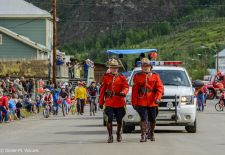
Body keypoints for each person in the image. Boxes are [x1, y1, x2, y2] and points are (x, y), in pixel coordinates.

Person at [132, 58, 164, 142]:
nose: (145, 67)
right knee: (143, 118)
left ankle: (152, 133)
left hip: (152, 101)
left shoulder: (155, 76)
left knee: (152, 119)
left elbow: (160, 88)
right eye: (143, 66)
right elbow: (134, 91)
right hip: (141, 100)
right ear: (141, 67)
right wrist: (134, 102)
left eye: (147, 66)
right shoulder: (137, 76)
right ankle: (143, 135)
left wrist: (158, 97)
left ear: (150, 67)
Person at [99, 58, 129, 143]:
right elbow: (102, 90)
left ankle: (119, 133)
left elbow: (126, 87)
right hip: (109, 101)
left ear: (118, 68)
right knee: (109, 118)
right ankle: (110, 136)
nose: (114, 69)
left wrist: (124, 92)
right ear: (110, 68)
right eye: (112, 67)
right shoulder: (106, 77)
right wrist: (101, 102)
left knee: (119, 119)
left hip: (119, 101)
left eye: (115, 67)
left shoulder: (122, 77)